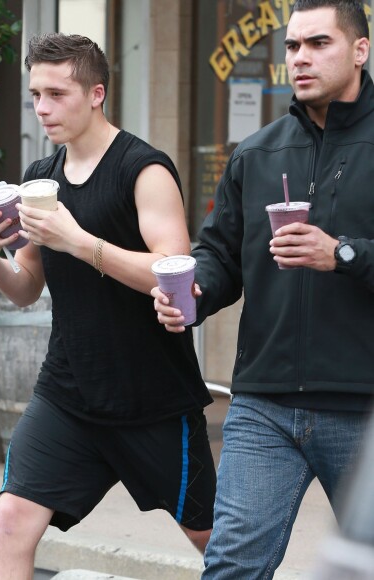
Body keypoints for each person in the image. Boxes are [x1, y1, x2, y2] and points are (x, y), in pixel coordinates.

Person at [0, 33, 217, 579]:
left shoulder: (144, 170)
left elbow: (174, 270)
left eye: (57, 94)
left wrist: (77, 240)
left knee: (215, 540)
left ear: (96, 92)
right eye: (36, 94)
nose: (42, 108)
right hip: (68, 393)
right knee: (11, 520)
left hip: (151, 397)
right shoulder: (39, 180)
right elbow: (28, 286)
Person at [152, 1, 374, 578]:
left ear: (360, 50)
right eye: (293, 47)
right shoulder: (256, 153)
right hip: (264, 405)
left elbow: (345, 254)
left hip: (363, 404)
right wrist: (193, 292)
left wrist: (344, 254)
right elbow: (221, 256)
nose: (300, 58)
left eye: (318, 44)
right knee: (231, 565)